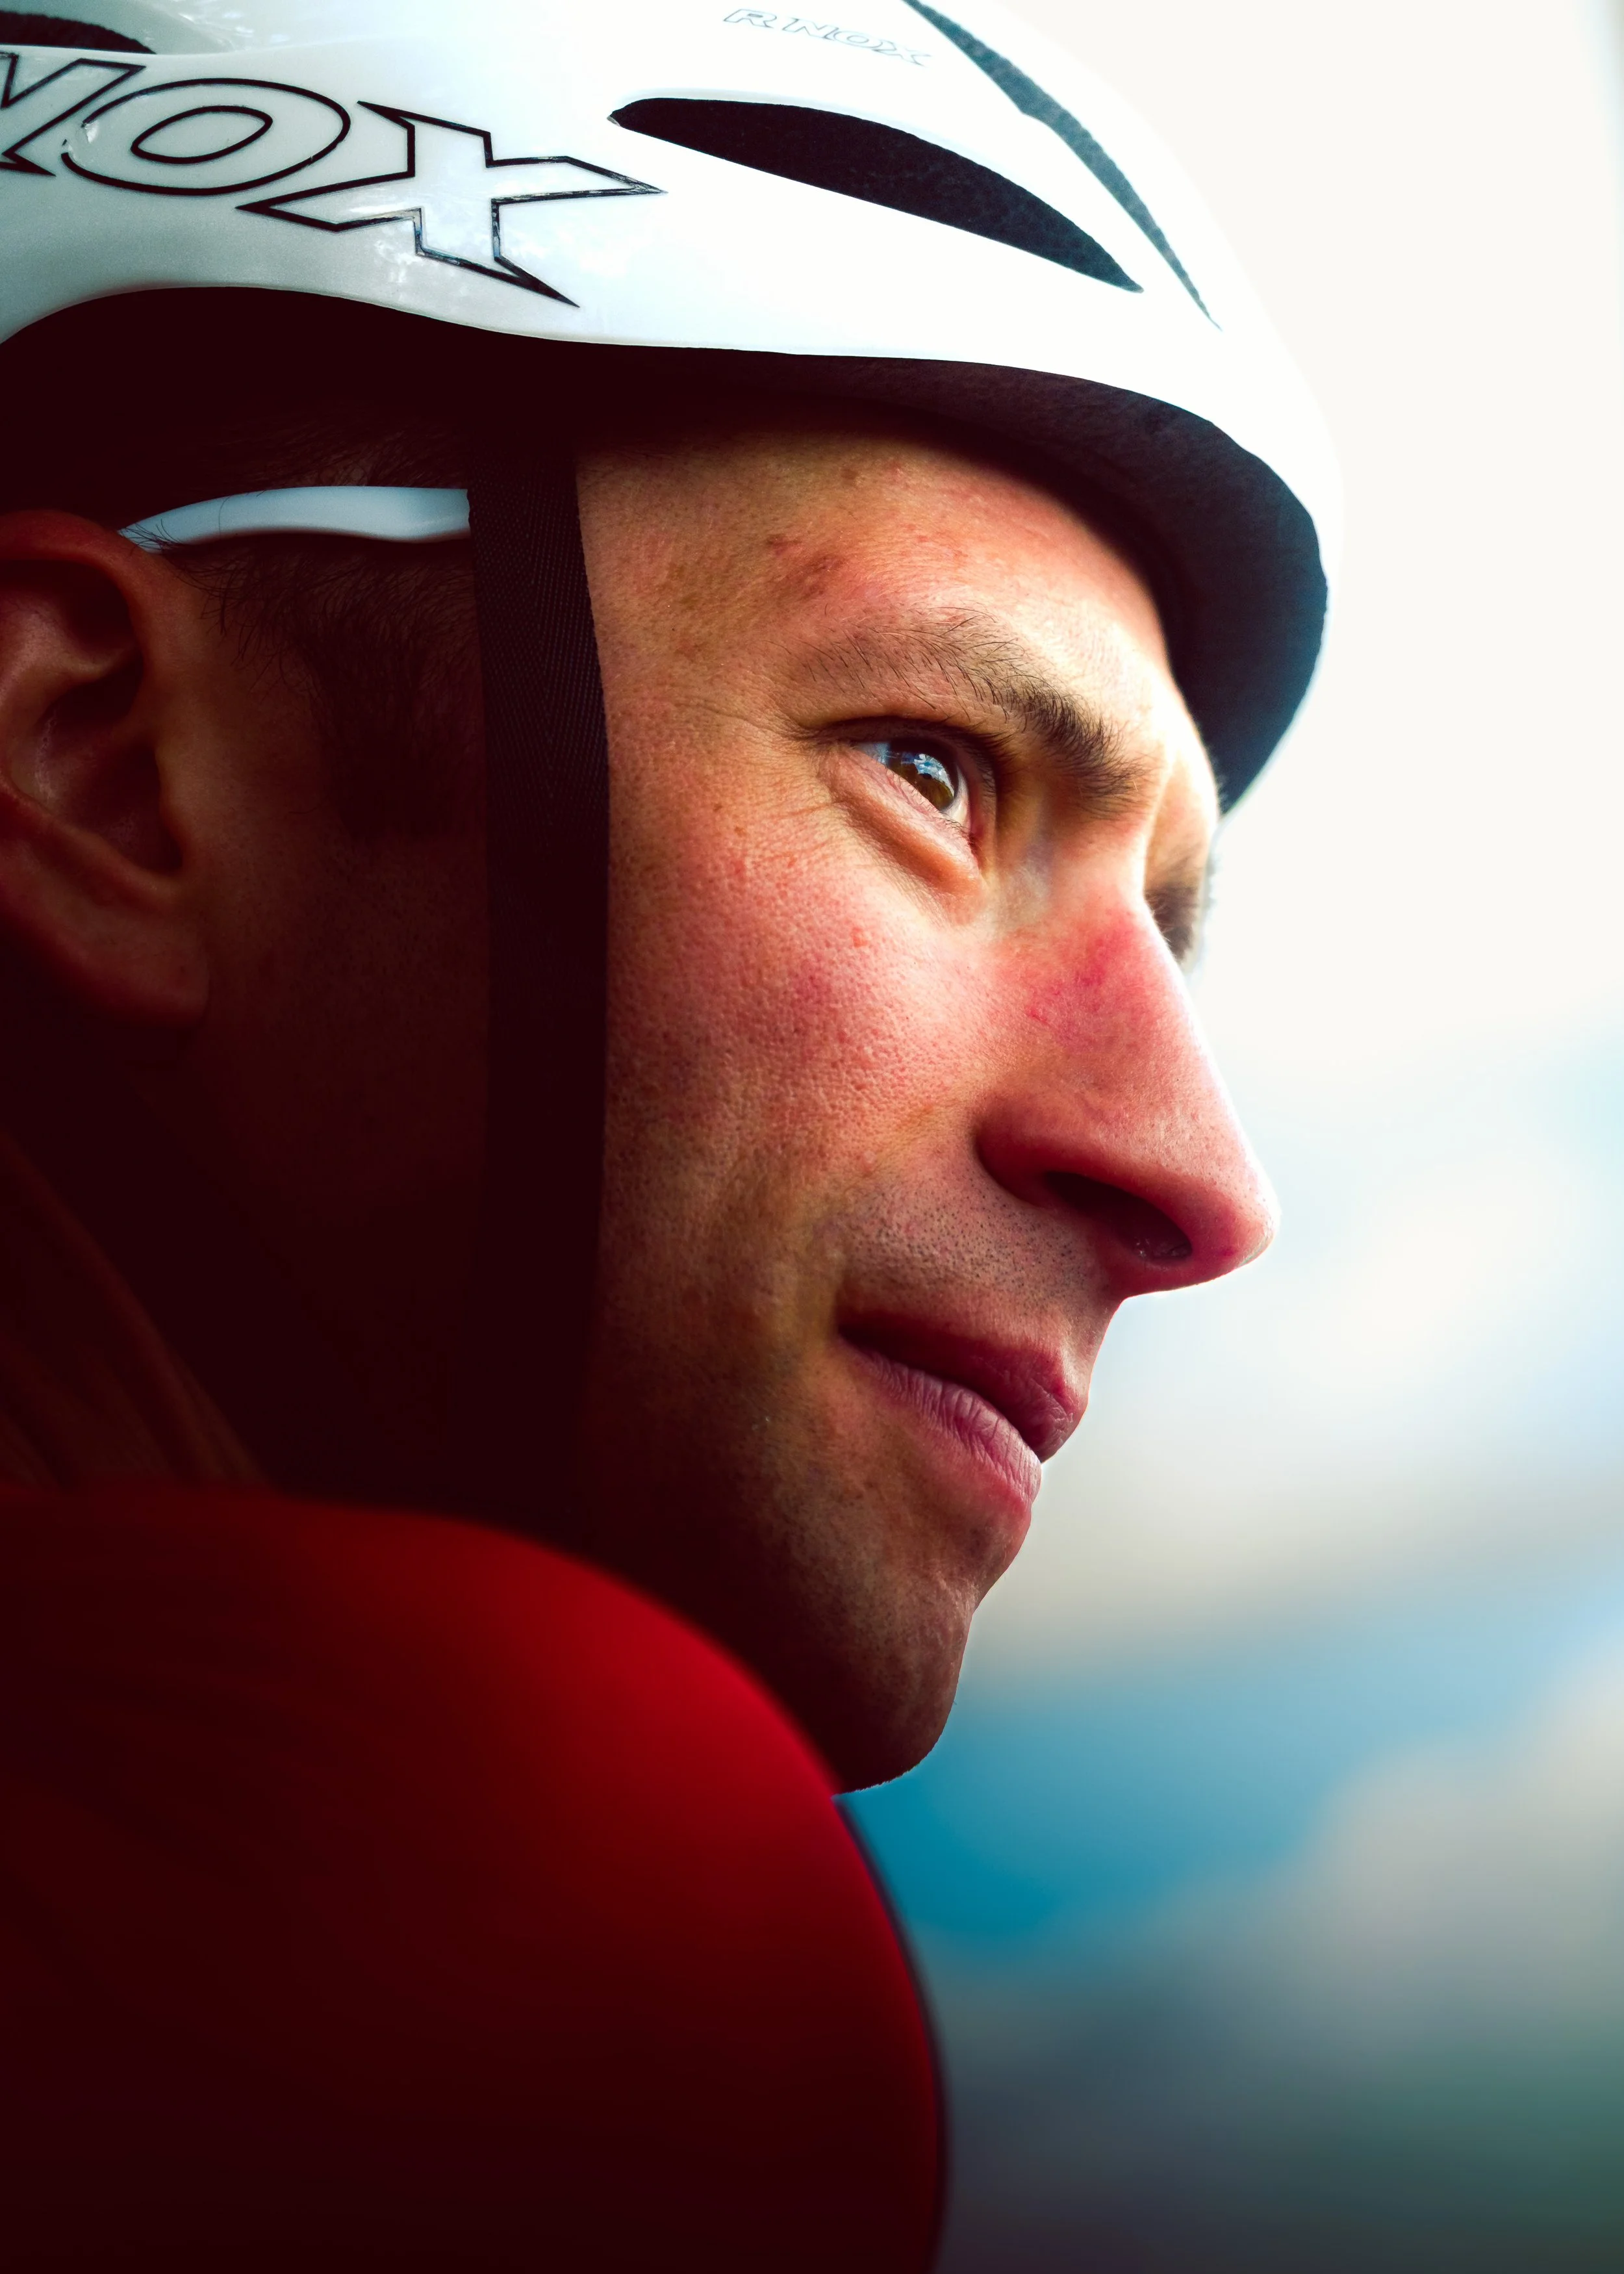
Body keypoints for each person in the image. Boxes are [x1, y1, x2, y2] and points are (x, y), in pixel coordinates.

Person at [0, 0, 1334, 2262]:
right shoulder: (496, 1903)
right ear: (107, 767)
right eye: (933, 772)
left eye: (1168, 932)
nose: (1196, 1183)